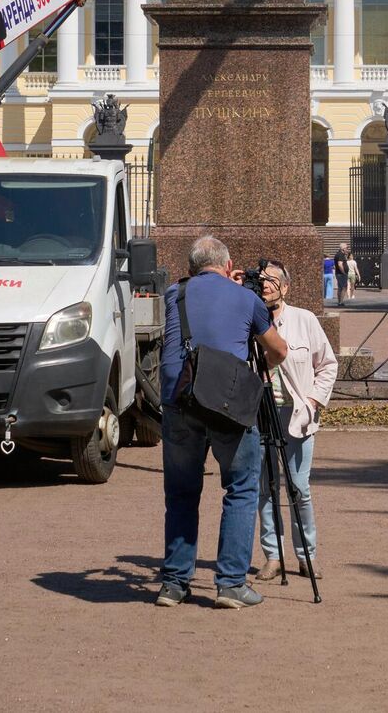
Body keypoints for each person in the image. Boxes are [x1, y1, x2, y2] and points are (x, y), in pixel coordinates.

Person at [157, 235, 289, 609]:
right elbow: (277, 350)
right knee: (242, 488)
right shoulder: (247, 298)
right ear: (229, 267)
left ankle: (173, 583)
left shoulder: (174, 295)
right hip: (227, 404)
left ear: (190, 268)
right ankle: (230, 584)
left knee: (181, 494)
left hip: (178, 401)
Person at [255, 260, 338, 578]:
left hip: (297, 415)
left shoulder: (304, 320)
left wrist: (314, 400)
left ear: (286, 287)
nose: (266, 286)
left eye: (273, 281)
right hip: (260, 411)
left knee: (299, 488)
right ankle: (273, 556)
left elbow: (328, 364)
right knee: (266, 487)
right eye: (262, 280)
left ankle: (306, 554)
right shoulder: (249, 320)